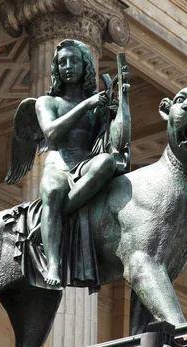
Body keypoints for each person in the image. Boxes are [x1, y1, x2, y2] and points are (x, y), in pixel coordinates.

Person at [35, 39, 117, 286]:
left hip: (86, 165)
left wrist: (119, 106)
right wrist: (86, 105)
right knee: (51, 192)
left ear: (85, 66)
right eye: (62, 62)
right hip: (59, 164)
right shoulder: (47, 102)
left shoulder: (98, 106)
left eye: (73, 61)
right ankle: (53, 263)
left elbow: (114, 140)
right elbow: (51, 135)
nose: (68, 66)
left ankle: (56, 217)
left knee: (107, 163)